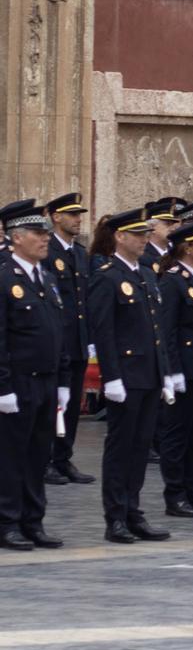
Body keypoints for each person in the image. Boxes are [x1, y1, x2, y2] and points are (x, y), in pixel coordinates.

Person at [85, 208, 179, 543]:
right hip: (125, 376)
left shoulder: (147, 275)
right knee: (121, 448)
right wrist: (110, 377)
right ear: (120, 237)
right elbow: (104, 331)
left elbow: (157, 330)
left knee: (140, 449)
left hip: (149, 374)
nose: (144, 240)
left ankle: (133, 511)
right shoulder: (106, 276)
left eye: (145, 234)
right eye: (137, 235)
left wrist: (165, 372)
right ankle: (115, 517)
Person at [0, 200, 71, 551]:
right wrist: (3, 387)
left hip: (45, 380)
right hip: (18, 382)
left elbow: (58, 330)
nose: (45, 239)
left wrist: (62, 381)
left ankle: (33, 521)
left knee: (38, 455)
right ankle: (8, 522)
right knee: (11, 456)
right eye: (37, 233)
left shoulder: (47, 278)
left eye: (45, 233)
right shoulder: (4, 278)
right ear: (16, 238)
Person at [155, 223, 193, 518]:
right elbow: (167, 331)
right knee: (178, 435)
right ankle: (175, 493)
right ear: (187, 248)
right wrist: (173, 371)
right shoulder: (173, 280)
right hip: (185, 369)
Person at [41, 194, 92, 487]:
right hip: (57, 342)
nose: (78, 219)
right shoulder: (48, 253)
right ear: (56, 217)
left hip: (77, 341)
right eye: (71, 214)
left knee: (71, 404)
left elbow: (84, 301)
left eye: (79, 215)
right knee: (52, 403)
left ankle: (63, 457)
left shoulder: (79, 254)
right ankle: (46, 459)